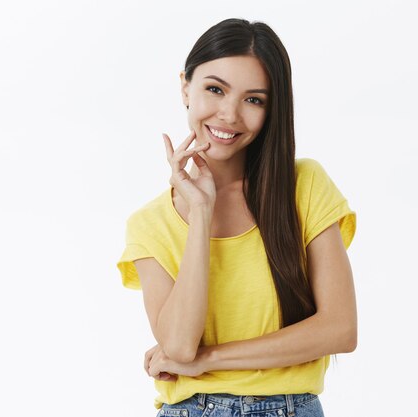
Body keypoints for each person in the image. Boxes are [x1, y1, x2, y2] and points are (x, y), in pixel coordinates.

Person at [116, 17, 357, 417]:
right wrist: (201, 213)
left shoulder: (303, 186)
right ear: (185, 88)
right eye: (215, 89)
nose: (229, 114)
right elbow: (176, 347)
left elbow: (339, 329)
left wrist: (209, 359)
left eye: (254, 99)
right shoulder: (150, 223)